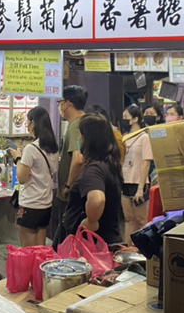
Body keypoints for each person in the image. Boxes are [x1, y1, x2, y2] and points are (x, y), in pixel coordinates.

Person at [58, 114, 124, 245]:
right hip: (108, 238)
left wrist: (90, 221)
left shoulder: (94, 169)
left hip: (90, 246)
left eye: (81, 135)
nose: (79, 139)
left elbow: (97, 199)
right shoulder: (109, 163)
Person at [8, 107, 59, 246]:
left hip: (29, 205)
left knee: (27, 251)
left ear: (34, 123)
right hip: (46, 204)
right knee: (39, 249)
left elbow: (22, 178)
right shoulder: (53, 148)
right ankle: (38, 269)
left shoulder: (31, 149)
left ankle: (28, 269)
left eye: (28, 122)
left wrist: (18, 158)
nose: (27, 125)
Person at [51, 85, 87, 240]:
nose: (60, 106)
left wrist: (68, 185)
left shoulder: (75, 125)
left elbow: (78, 158)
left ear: (68, 104)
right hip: (84, 189)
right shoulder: (86, 121)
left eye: (61, 102)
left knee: (67, 238)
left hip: (73, 192)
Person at [120, 105, 153, 238]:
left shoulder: (144, 137)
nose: (123, 120)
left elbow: (146, 162)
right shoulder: (124, 137)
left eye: (125, 117)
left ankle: (142, 249)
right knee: (128, 218)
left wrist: (141, 188)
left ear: (135, 119)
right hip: (125, 181)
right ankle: (127, 247)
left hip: (138, 182)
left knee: (141, 220)